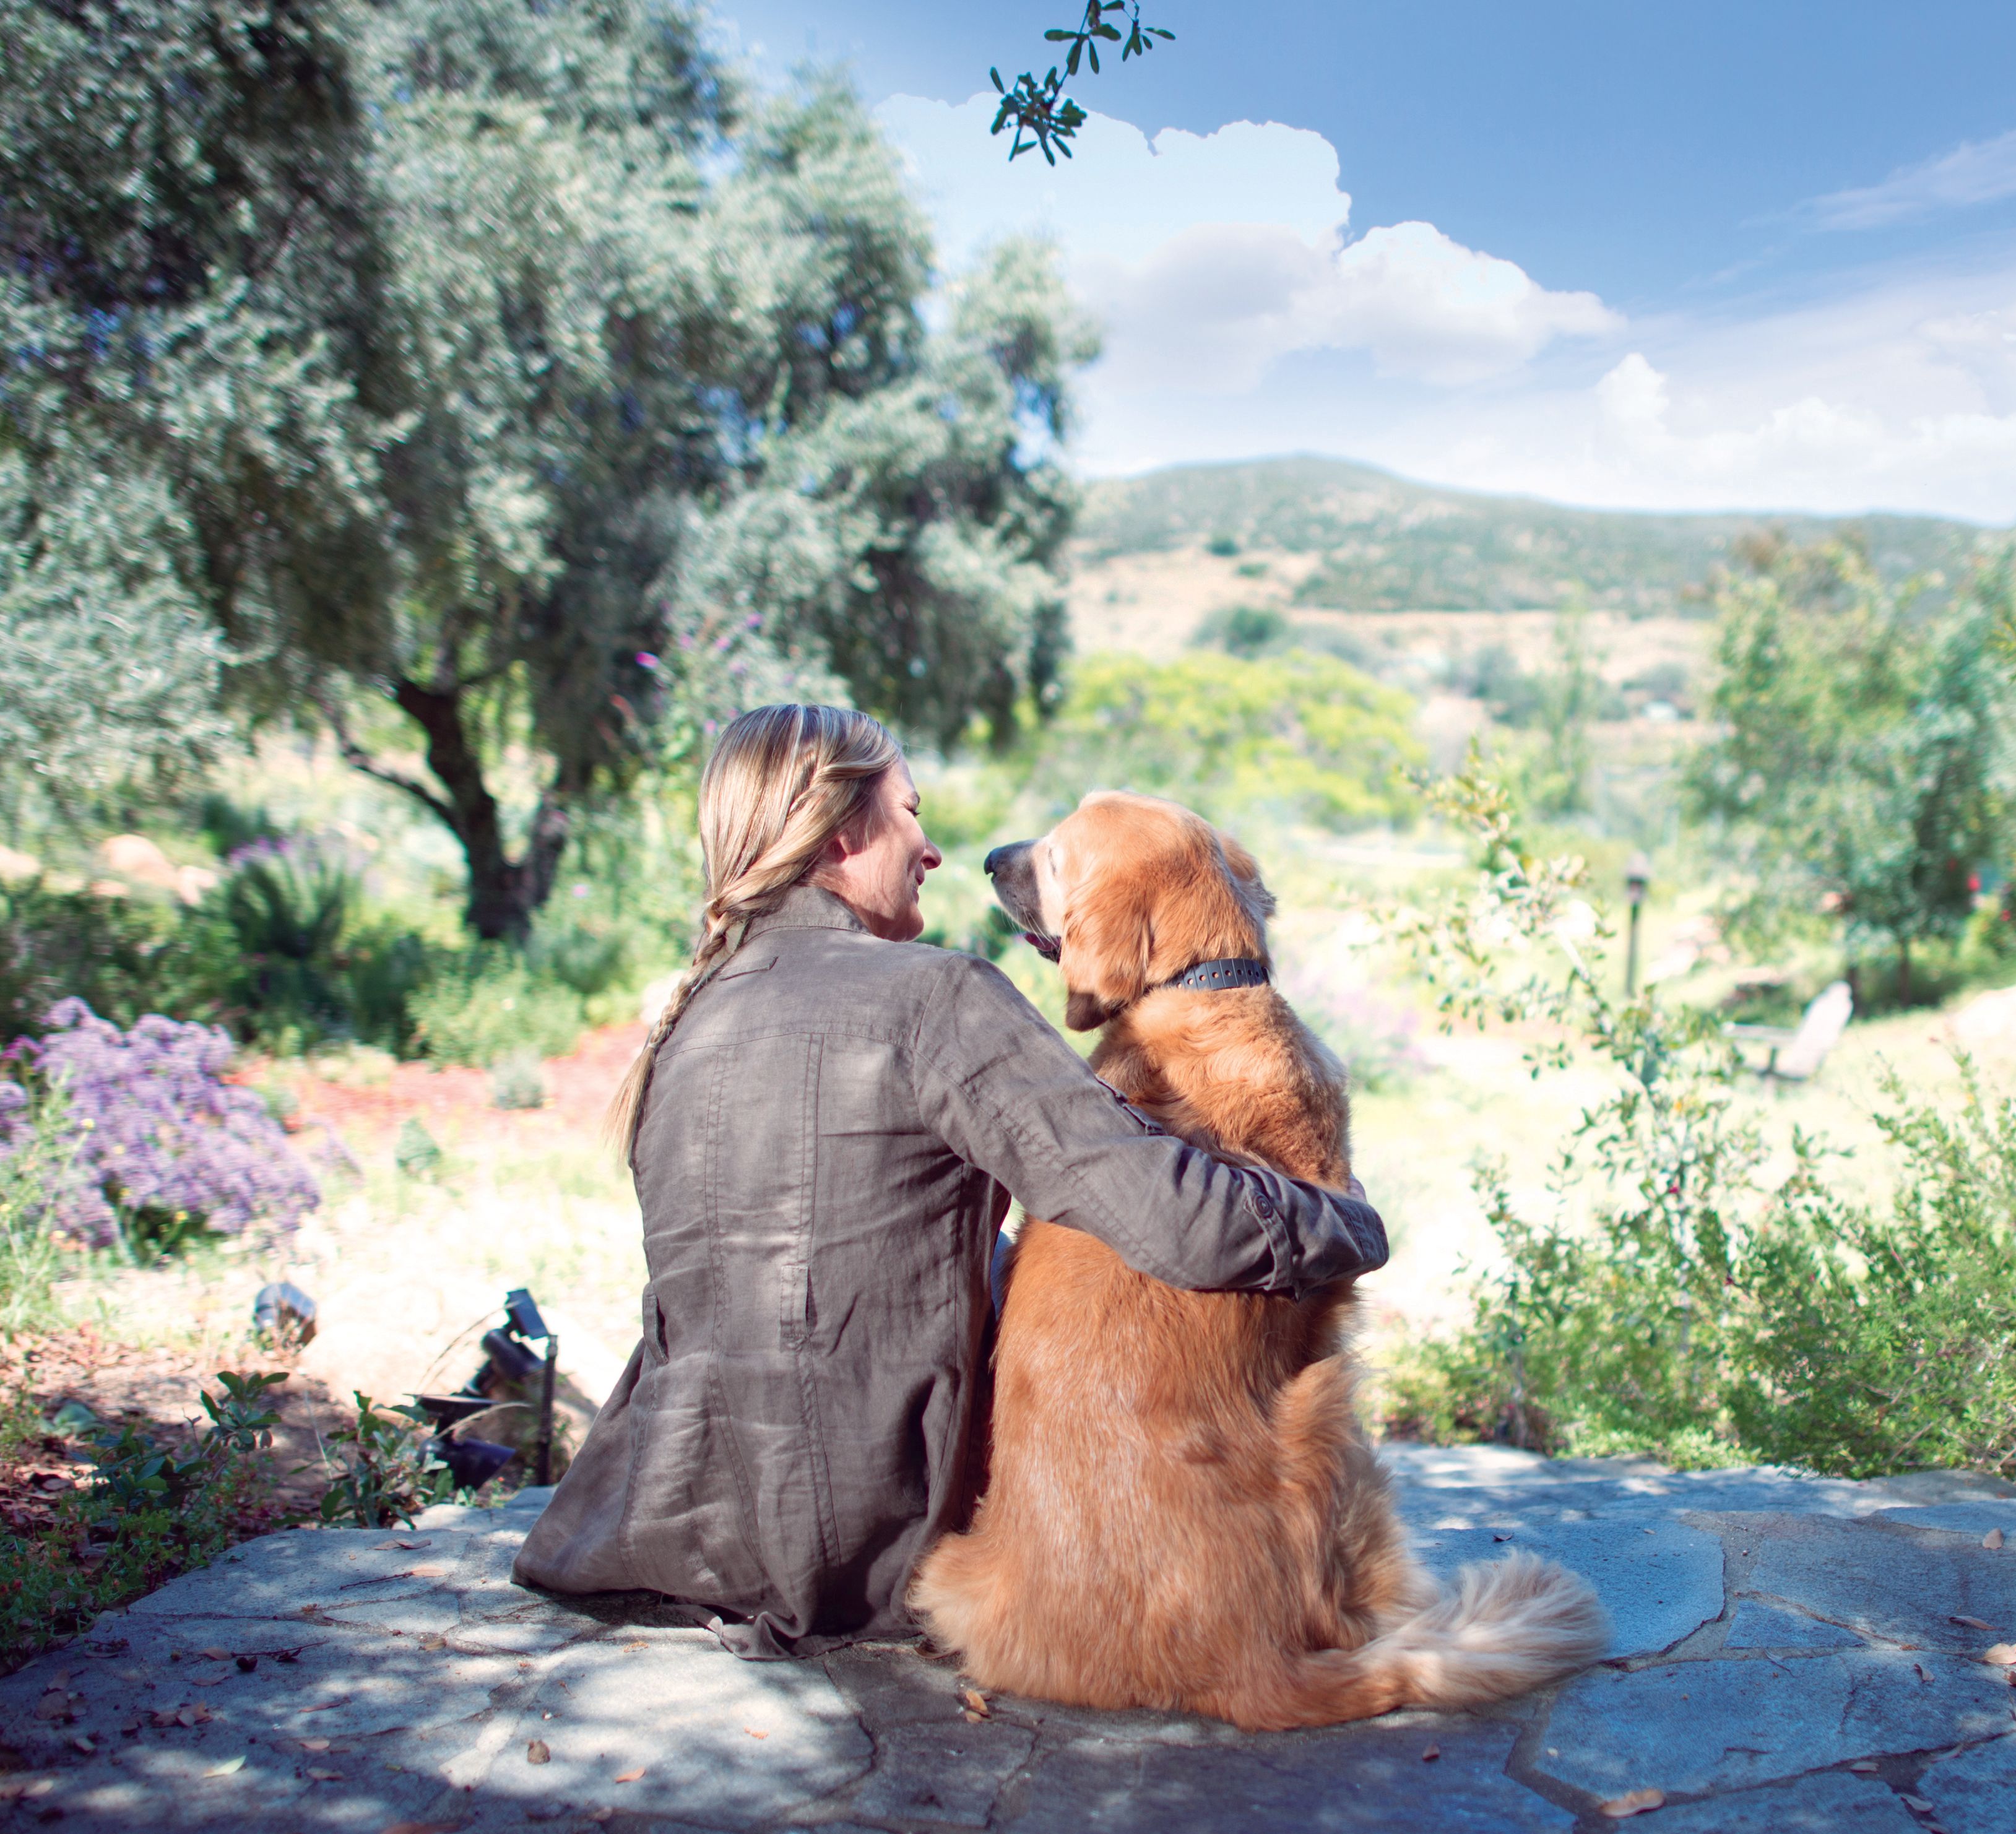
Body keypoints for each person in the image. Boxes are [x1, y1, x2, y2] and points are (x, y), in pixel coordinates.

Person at [514, 703, 1388, 1656]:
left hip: (667, 1527)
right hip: (857, 1548)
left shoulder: (692, 1018)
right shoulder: (935, 999)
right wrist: (1352, 1226)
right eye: (910, 813)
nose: (931, 851)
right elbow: (1184, 1224)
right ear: (840, 833)